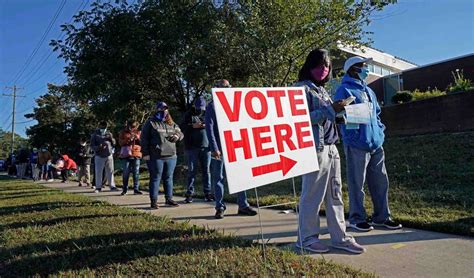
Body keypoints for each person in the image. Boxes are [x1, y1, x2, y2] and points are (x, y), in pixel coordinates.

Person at [295, 49, 365, 254]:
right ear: (309, 66)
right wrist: (330, 110)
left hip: (332, 146)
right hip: (314, 148)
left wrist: (340, 114)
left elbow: (326, 116)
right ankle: (306, 238)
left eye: (327, 66)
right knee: (312, 195)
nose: (323, 70)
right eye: (319, 65)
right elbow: (302, 120)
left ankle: (340, 237)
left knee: (335, 194)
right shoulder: (301, 89)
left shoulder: (323, 90)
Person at [334, 56, 402, 231]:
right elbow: (340, 116)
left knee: (381, 182)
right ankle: (357, 218)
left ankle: (382, 217)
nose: (366, 69)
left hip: (376, 143)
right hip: (357, 144)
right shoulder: (344, 90)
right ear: (353, 69)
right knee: (357, 183)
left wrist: (380, 131)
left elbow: (377, 113)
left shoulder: (369, 91)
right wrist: (353, 137)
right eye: (363, 66)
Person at [205, 79, 257, 219]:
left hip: (235, 147)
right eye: (224, 87)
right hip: (220, 149)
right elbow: (209, 129)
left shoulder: (235, 104)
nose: (227, 90)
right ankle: (220, 207)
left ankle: (243, 205)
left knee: (240, 177)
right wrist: (214, 148)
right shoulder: (212, 106)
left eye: (228, 87)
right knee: (218, 178)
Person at [141, 101, 184, 209]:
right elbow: (144, 138)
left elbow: (181, 133)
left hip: (171, 155)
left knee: (168, 178)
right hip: (156, 156)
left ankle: (169, 199)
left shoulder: (171, 123)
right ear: (157, 109)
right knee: (155, 178)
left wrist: (177, 136)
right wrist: (145, 153)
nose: (163, 111)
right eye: (161, 109)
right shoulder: (151, 122)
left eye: (165, 109)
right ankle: (154, 201)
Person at [181, 96, 213, 203]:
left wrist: (205, 125)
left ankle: (207, 193)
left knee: (206, 171)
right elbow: (182, 127)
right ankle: (190, 194)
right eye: (199, 107)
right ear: (195, 106)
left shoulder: (207, 113)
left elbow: (213, 126)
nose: (200, 109)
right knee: (192, 171)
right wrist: (192, 126)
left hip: (206, 147)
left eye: (202, 107)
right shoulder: (189, 114)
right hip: (192, 147)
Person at [90, 121, 119, 192]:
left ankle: (112, 186)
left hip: (109, 155)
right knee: (98, 172)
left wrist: (111, 138)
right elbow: (92, 146)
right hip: (99, 156)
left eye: (105, 127)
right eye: (102, 127)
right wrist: (98, 147)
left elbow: (114, 143)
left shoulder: (109, 133)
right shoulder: (94, 135)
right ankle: (98, 187)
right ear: (99, 126)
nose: (103, 128)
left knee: (110, 171)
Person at [118, 121, 143, 195]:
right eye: (131, 126)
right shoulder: (123, 132)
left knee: (136, 173)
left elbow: (143, 143)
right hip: (126, 155)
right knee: (126, 172)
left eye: (134, 127)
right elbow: (120, 143)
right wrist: (128, 139)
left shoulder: (138, 132)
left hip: (136, 154)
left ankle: (136, 189)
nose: (132, 128)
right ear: (128, 125)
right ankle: (125, 189)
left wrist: (138, 138)